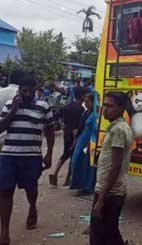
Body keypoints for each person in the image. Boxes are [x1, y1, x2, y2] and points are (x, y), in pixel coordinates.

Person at [0, 77, 55, 244]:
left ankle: (32, 208)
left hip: (32, 156)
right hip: (8, 156)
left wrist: (49, 154)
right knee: (5, 192)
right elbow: (1, 127)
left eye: (30, 91)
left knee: (31, 189)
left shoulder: (43, 106)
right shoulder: (10, 104)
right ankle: (4, 231)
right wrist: (13, 111)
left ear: (35, 89)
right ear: (19, 90)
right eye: (24, 91)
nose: (27, 94)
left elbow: (50, 131)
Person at [90, 92, 133, 245]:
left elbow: (115, 167)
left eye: (110, 106)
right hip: (111, 190)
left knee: (100, 235)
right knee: (109, 232)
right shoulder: (120, 127)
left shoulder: (118, 130)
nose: (105, 109)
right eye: (105, 105)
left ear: (121, 108)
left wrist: (101, 198)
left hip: (110, 192)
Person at [49, 87, 86, 187]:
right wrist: (75, 138)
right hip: (75, 134)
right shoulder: (81, 109)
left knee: (65, 154)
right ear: (82, 96)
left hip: (66, 132)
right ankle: (67, 180)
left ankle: (55, 172)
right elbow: (77, 126)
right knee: (73, 156)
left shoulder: (67, 106)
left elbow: (64, 122)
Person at [70, 91, 98, 194]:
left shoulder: (95, 114)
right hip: (82, 140)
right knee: (77, 162)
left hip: (88, 142)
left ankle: (87, 187)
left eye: (87, 101)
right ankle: (80, 185)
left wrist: (91, 142)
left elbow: (95, 129)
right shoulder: (86, 112)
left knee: (87, 165)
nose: (85, 103)